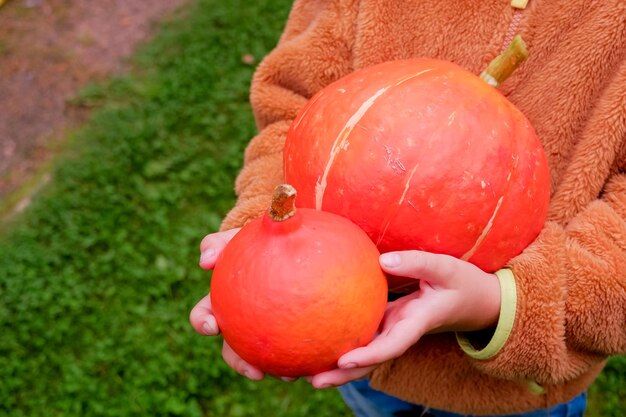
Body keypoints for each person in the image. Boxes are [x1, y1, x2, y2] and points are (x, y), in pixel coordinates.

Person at [189, 0, 626, 415]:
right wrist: (266, 240)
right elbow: (292, 111)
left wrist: (495, 304)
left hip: (510, 396)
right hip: (356, 360)